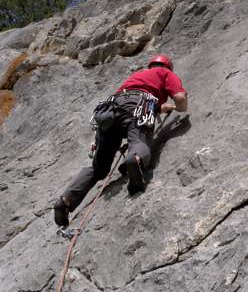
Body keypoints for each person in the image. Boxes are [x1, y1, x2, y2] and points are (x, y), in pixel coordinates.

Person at [53, 54, 187, 228]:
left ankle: (65, 201)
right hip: (139, 107)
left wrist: (161, 108)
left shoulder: (138, 75)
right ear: (167, 67)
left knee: (98, 168)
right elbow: (180, 98)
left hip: (112, 110)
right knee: (139, 140)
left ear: (151, 65)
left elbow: (134, 97)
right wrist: (180, 108)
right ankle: (134, 159)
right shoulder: (165, 73)